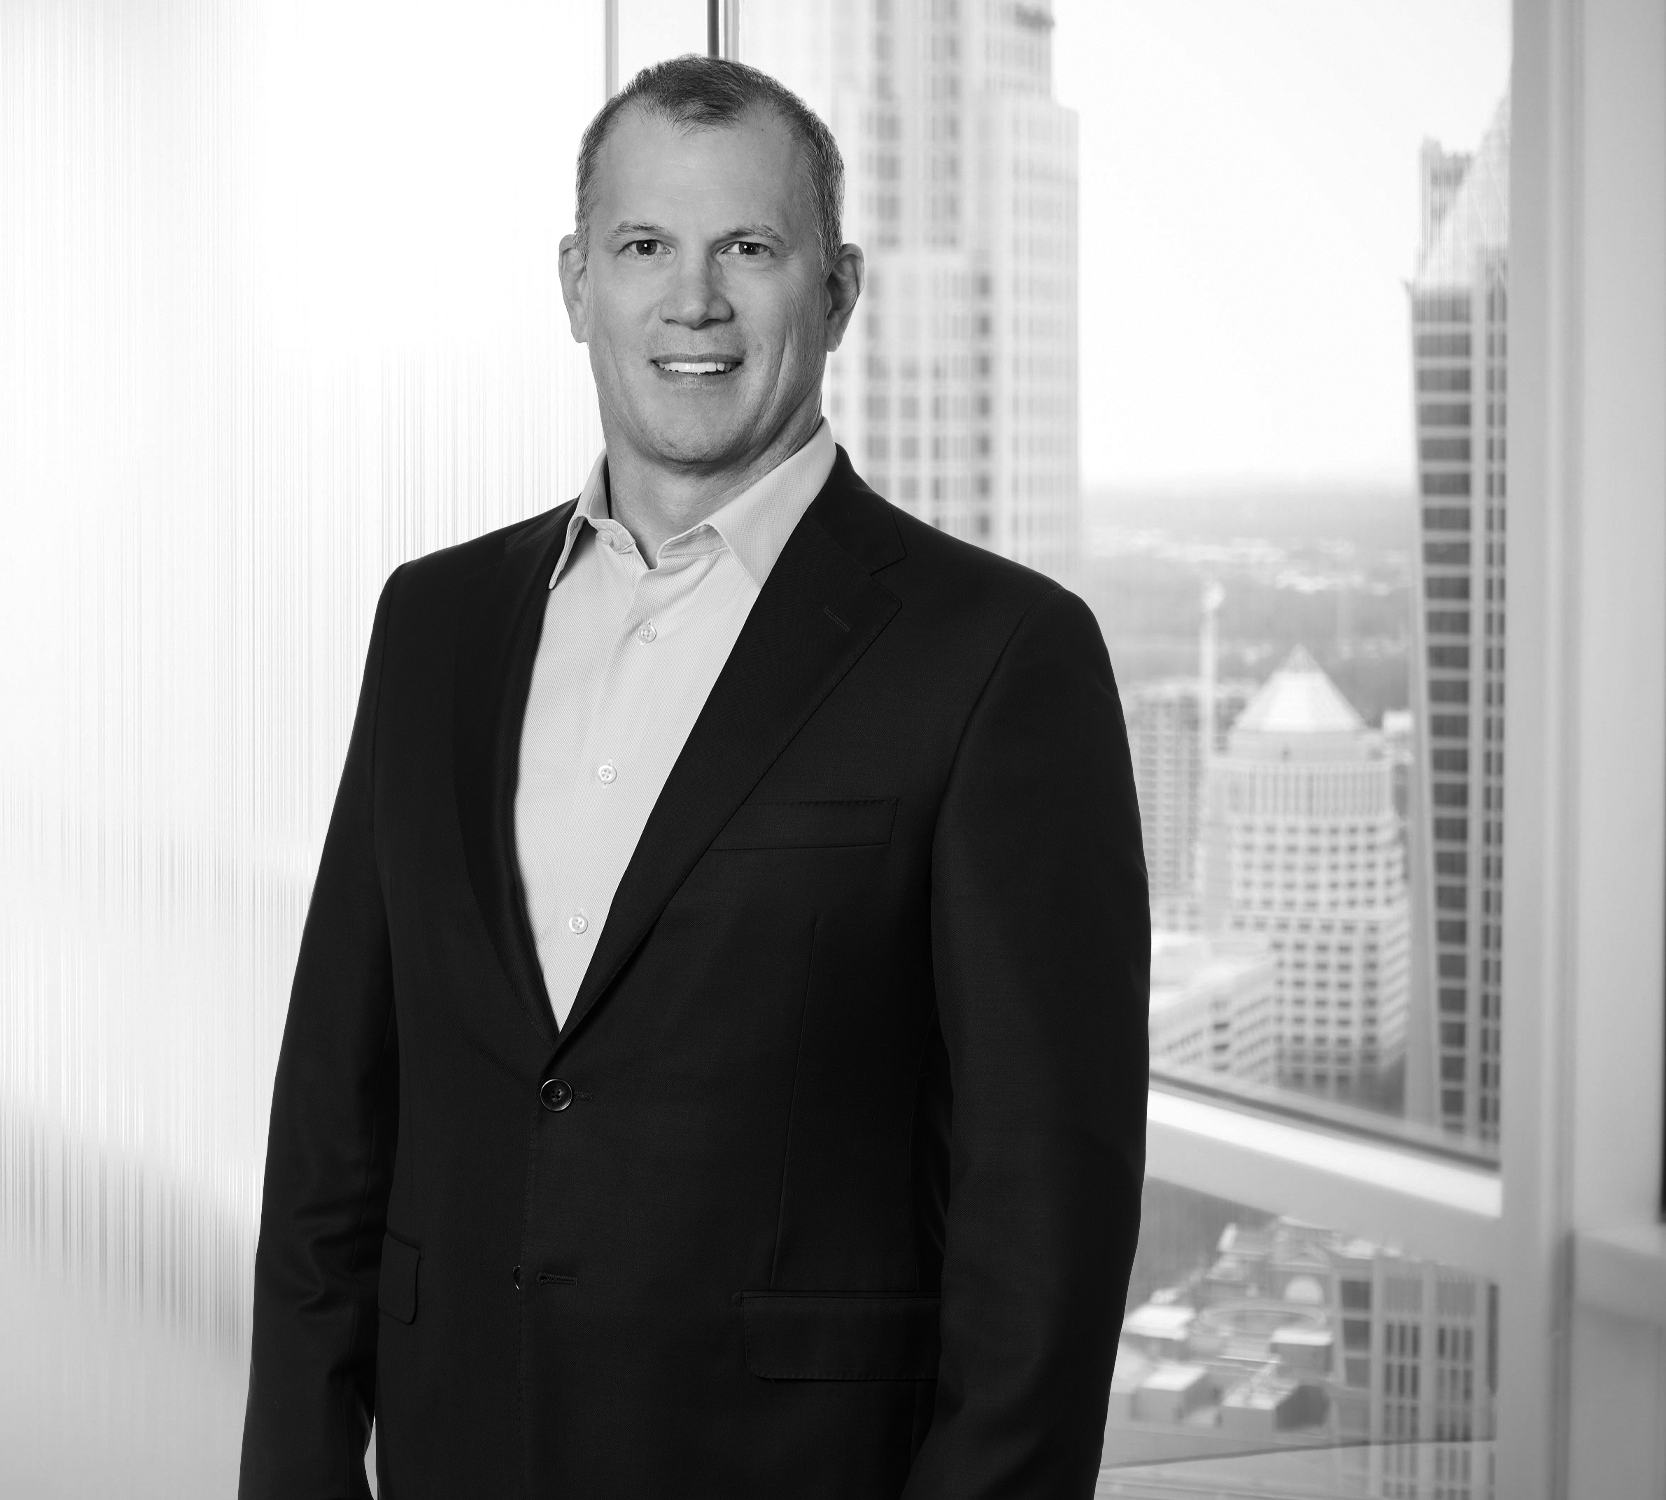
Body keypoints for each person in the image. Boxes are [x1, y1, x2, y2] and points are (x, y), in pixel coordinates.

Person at [238, 55, 1145, 1499]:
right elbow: (334, 1121)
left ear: (837, 291)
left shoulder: (998, 656)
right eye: (646, 245)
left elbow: (1045, 1226)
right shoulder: (434, 625)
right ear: (574, 282)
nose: (694, 302)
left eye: (750, 249)